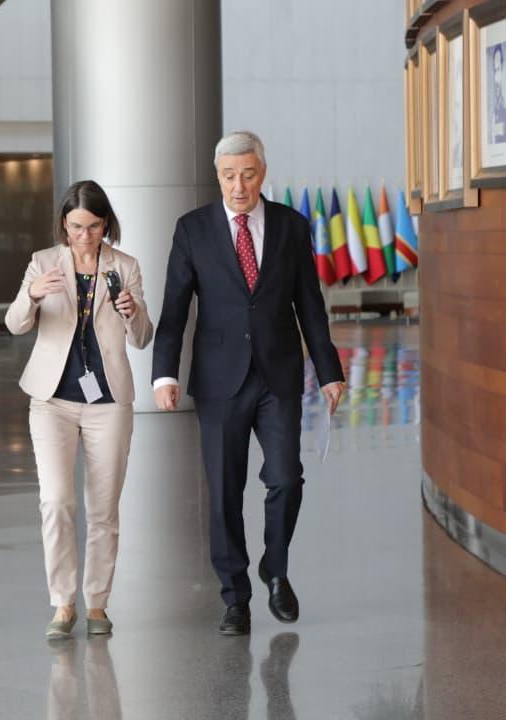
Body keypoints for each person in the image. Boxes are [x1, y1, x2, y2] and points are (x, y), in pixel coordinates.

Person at [151, 131, 345, 636]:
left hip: (278, 376)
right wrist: (164, 372)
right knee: (224, 492)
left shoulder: (291, 226)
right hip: (219, 380)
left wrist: (328, 370)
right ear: (218, 176)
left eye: (249, 174)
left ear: (263, 171)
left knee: (286, 478)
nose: (239, 186)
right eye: (229, 175)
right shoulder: (192, 230)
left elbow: (310, 304)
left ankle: (275, 569)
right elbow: (174, 310)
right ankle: (235, 596)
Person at [5, 180, 153, 638]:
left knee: (104, 509)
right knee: (56, 502)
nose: (83, 236)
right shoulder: (43, 263)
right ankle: (62, 603)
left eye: (92, 227)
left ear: (105, 224)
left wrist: (132, 311)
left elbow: (144, 337)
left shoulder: (124, 267)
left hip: (109, 403)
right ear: (63, 225)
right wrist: (31, 294)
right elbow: (14, 325)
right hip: (52, 400)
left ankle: (98, 605)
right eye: (74, 227)